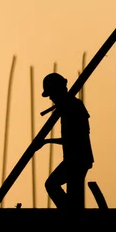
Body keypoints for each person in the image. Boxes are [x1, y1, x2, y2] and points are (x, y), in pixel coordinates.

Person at [36, 72, 94, 210]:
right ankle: (71, 210)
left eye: (51, 93)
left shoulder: (73, 107)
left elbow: (75, 138)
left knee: (52, 184)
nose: (50, 97)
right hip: (75, 159)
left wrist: (46, 141)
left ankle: (69, 211)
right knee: (74, 197)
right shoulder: (67, 107)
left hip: (78, 160)